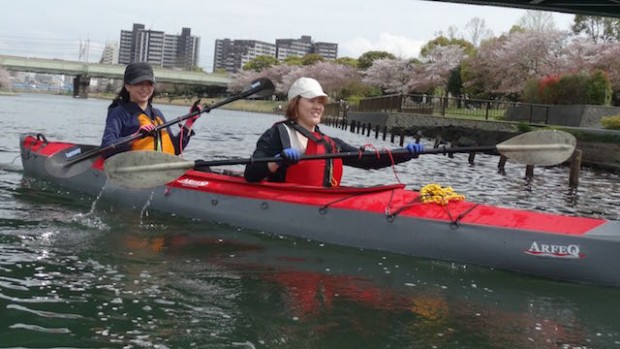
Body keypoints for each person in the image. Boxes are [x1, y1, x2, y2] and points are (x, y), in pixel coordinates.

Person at [243, 77, 424, 187]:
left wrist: (405, 154)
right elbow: (251, 174)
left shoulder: (330, 143)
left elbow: (368, 160)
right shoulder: (277, 134)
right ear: (295, 103)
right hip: (282, 200)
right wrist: (276, 160)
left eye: (320, 102)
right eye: (312, 101)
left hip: (320, 201)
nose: (318, 107)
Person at [100, 62, 197, 157]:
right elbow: (106, 147)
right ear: (127, 86)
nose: (145, 88)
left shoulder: (157, 114)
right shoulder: (119, 113)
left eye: (149, 84)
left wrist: (190, 121)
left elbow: (175, 149)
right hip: (132, 168)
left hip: (162, 169)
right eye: (139, 83)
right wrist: (135, 137)